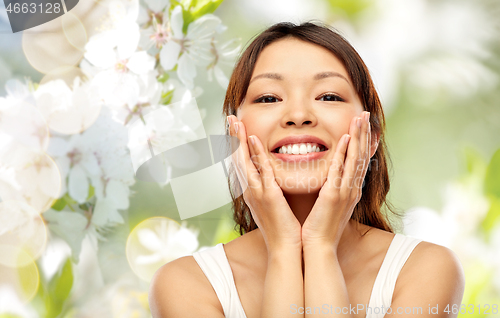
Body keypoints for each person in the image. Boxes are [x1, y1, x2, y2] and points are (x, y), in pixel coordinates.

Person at [149, 21, 465, 318]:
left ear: (370, 139)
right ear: (234, 135)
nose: (298, 114)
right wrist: (285, 248)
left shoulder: (425, 269)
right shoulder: (185, 284)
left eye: (328, 96)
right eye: (269, 97)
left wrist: (320, 247)